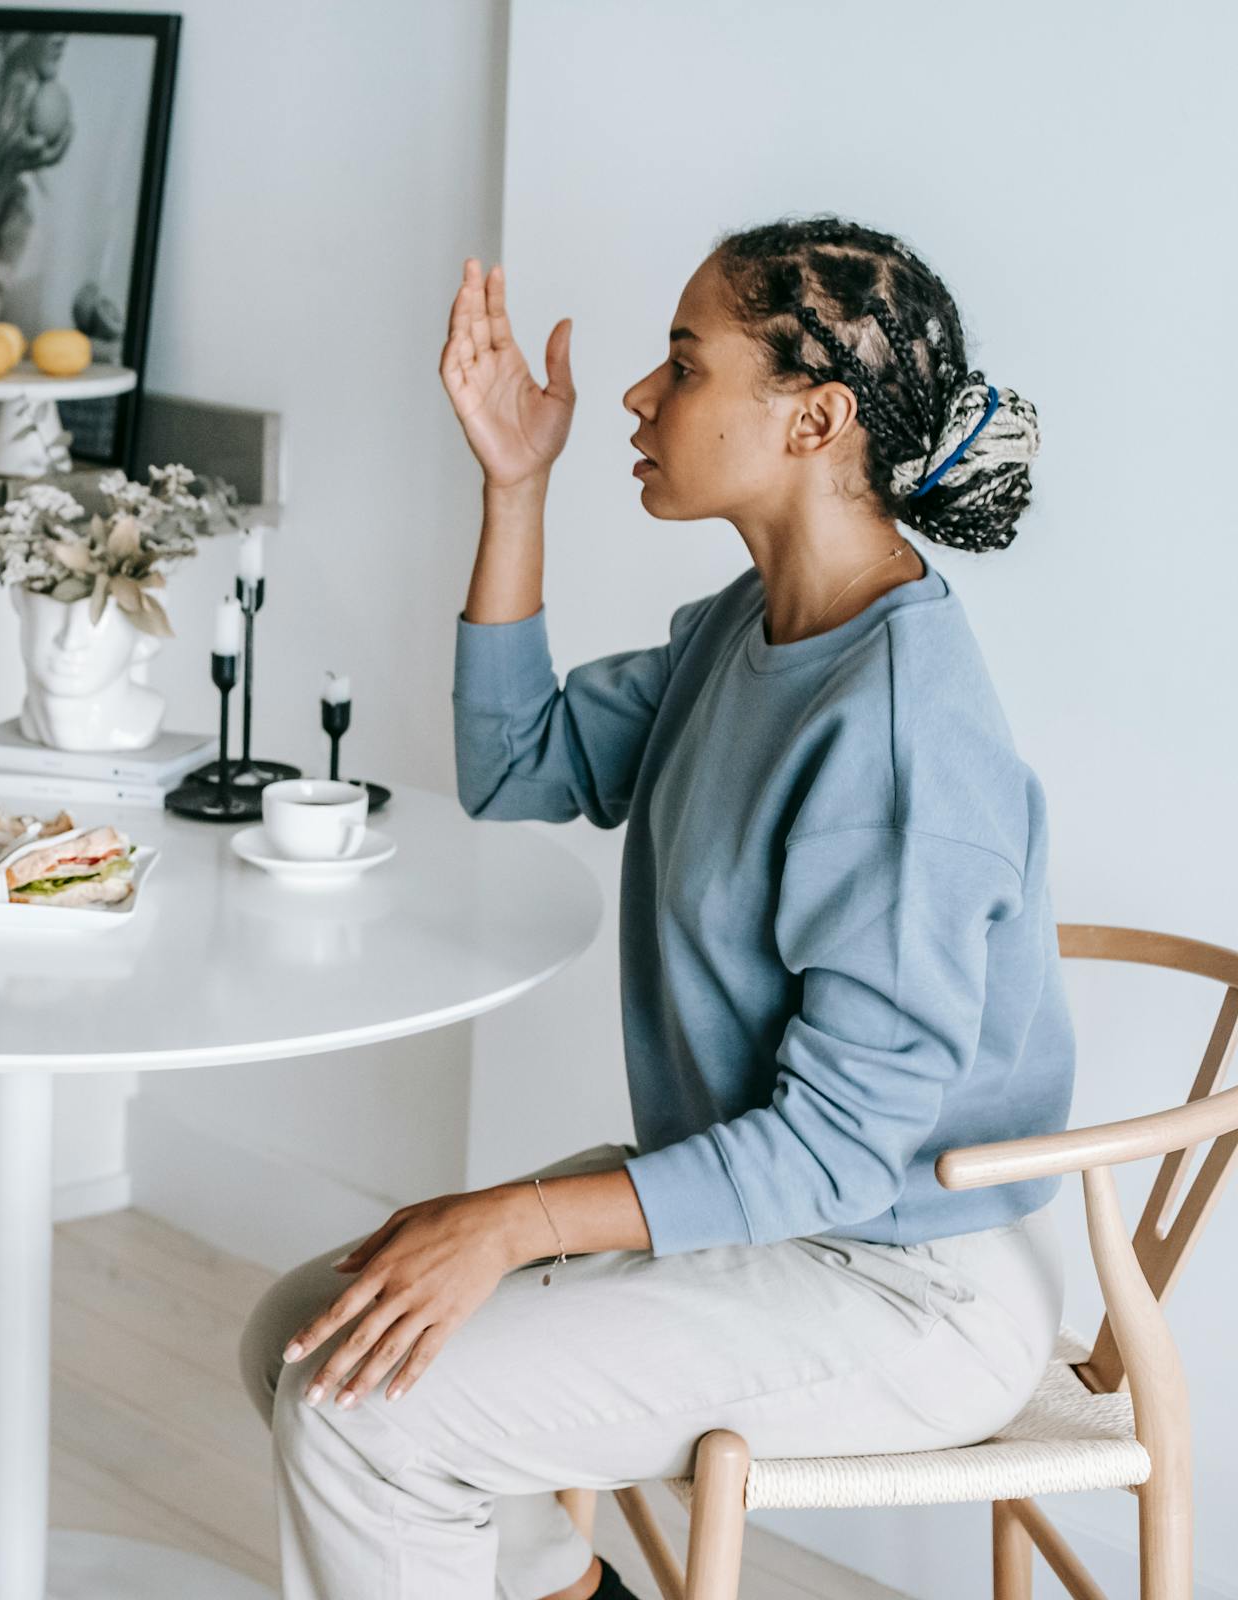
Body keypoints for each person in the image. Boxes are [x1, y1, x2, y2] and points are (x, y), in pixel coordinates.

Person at [239, 218, 1071, 1600]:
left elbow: (839, 1155)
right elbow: (517, 769)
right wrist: (517, 488)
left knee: (361, 1406)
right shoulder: (750, 630)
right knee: (313, 1334)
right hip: (775, 1228)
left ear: (814, 418)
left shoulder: (902, 740)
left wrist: (513, 1219)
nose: (638, 395)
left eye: (683, 366)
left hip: (904, 1286)